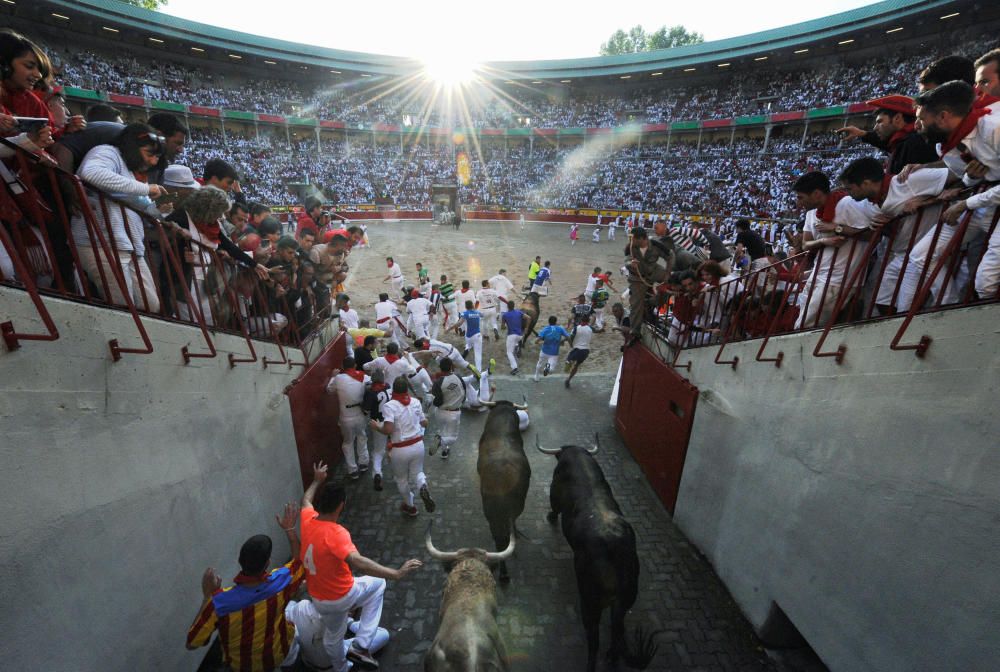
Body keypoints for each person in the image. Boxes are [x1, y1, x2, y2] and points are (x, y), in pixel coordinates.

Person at [299, 462, 422, 670]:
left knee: (334, 637)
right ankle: (362, 644)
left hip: (317, 597)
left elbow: (305, 500)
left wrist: (316, 481)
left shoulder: (307, 520)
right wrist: (396, 573)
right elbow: (358, 561)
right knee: (379, 584)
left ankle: (341, 667)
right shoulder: (336, 533)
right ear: (341, 505)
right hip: (340, 596)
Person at [185, 503, 306, 672]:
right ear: (268, 563)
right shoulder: (281, 582)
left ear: (240, 562)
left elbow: (192, 644)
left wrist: (207, 597)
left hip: (244, 666)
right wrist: (290, 529)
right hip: (278, 653)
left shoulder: (219, 602)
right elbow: (299, 562)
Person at [69, 123, 166, 313]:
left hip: (128, 246)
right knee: (123, 306)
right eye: (149, 154)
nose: (153, 162)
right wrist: (146, 189)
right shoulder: (107, 152)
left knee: (151, 306)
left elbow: (133, 198)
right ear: (132, 146)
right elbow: (91, 173)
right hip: (99, 242)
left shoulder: (128, 169)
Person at [792, 171, 877, 328]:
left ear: (816, 194)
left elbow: (873, 234)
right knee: (805, 320)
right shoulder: (812, 213)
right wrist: (824, 241)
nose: (798, 203)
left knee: (805, 326)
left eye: (800, 197)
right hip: (819, 274)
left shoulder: (848, 204)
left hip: (839, 279)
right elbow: (805, 245)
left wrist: (838, 229)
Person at [370, 378, 437, 516]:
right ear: (406, 389)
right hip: (418, 445)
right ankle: (422, 485)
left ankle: (410, 506)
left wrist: (377, 427)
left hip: (400, 448)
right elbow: (424, 423)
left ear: (394, 390)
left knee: (401, 479)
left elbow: (388, 430)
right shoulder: (416, 402)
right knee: (418, 472)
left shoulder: (390, 406)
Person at [624, 226, 673, 344]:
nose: (631, 241)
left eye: (633, 239)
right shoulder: (630, 247)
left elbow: (670, 256)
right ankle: (635, 332)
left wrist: (667, 273)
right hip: (637, 277)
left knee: (672, 283)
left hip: (654, 271)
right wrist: (631, 264)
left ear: (642, 239)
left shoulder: (656, 245)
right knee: (636, 305)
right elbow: (626, 260)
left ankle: (652, 302)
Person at [327, 357, 370, 480]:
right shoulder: (363, 376)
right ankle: (363, 463)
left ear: (342, 366)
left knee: (348, 442)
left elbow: (329, 390)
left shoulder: (339, 378)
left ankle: (353, 470)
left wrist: (333, 376)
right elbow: (373, 384)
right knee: (362, 437)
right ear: (355, 365)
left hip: (346, 416)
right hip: (360, 414)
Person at [362, 368, 392, 492]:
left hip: (378, 423)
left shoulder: (371, 392)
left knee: (378, 451)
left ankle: (377, 473)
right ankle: (399, 472)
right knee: (395, 446)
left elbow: (366, 410)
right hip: (392, 421)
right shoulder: (389, 386)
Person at [430, 358, 466, 459]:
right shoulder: (458, 377)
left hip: (440, 412)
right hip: (454, 413)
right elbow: (464, 392)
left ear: (440, 368)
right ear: (451, 367)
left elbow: (437, 401)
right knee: (453, 437)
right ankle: (441, 442)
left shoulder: (437, 383)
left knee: (443, 432)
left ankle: (444, 452)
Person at [533, 315, 570, 382]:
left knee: (539, 363)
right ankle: (547, 369)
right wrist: (563, 341)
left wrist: (537, 342)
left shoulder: (545, 329)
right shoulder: (560, 328)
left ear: (548, 322)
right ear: (556, 322)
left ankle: (536, 376)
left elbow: (537, 340)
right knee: (552, 369)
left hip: (544, 351)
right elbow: (568, 337)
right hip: (554, 353)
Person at [453, 300, 483, 372]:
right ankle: (478, 371)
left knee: (468, 346)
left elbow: (459, 323)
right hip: (477, 335)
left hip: (468, 336)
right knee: (478, 354)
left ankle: (462, 359)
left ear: (466, 307)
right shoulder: (477, 312)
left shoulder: (464, 313)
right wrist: (475, 311)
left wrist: (452, 327)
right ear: (472, 305)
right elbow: (482, 315)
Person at [564, 315, 593, 389]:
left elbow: (570, 338)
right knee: (577, 365)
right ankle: (569, 379)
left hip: (577, 349)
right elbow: (598, 330)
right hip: (585, 351)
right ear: (588, 322)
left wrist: (570, 344)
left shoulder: (576, 328)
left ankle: (569, 362)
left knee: (568, 360)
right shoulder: (590, 328)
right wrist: (602, 328)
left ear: (580, 321)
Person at [500, 300, 525, 375]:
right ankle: (517, 346)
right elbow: (528, 318)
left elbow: (502, 327)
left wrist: (504, 325)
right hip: (520, 335)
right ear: (514, 306)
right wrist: (526, 328)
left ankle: (515, 368)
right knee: (515, 342)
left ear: (507, 306)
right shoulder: (519, 312)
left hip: (512, 335)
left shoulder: (505, 315)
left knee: (509, 352)